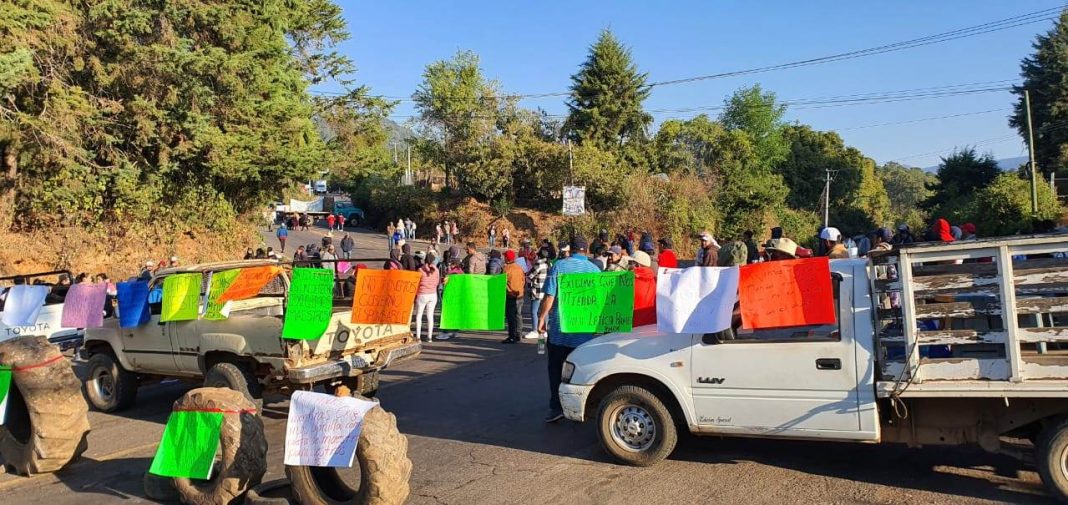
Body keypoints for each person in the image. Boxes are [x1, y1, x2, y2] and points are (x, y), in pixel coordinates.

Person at [537, 236, 601, 423]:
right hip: (584, 333)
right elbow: (600, 301)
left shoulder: (559, 266)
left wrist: (542, 318)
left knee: (556, 370)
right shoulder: (594, 270)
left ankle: (556, 407)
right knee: (582, 371)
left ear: (570, 250)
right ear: (586, 250)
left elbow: (550, 296)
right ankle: (582, 406)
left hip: (559, 330)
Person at [415, 251, 440, 342]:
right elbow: (437, 283)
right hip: (433, 295)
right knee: (430, 316)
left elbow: (417, 283)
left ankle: (418, 337)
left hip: (422, 294)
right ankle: (429, 337)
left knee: (419, 316)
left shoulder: (420, 270)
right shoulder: (436, 270)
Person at [525, 248, 550, 339]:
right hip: (546, 291)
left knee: (534, 311)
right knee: (545, 311)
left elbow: (530, 276)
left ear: (539, 255)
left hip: (537, 290)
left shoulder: (539, 264)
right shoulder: (549, 264)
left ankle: (535, 330)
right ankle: (544, 330)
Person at [502, 250, 525, 344]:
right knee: (518, 315)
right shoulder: (519, 267)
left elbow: (502, 281)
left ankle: (512, 336)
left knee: (510, 316)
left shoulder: (507, 268)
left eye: (504, 256)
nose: (503, 258)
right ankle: (519, 335)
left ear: (507, 258)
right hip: (520, 294)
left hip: (511, 295)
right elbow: (523, 280)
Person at [631, 250, 657, 326]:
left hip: (633, 327)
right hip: (652, 326)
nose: (628, 265)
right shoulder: (656, 280)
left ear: (637, 265)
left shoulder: (629, 282)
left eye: (630, 263)